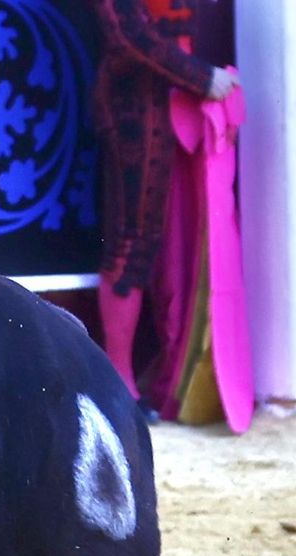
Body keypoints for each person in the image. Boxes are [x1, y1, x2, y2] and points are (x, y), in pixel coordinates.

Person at [89, 0, 238, 405]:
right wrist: (200, 76)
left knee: (163, 240)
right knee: (132, 236)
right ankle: (119, 378)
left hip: (177, 105)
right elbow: (128, 36)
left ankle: (164, 375)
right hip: (135, 107)